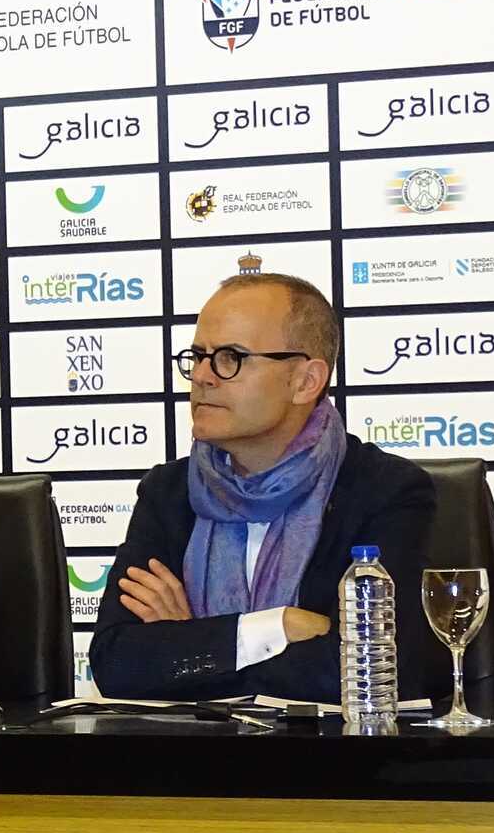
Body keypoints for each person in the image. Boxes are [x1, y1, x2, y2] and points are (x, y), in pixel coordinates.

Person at [90, 273, 436, 701]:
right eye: (198, 356)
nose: (202, 376)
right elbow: (116, 663)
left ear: (305, 382)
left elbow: (372, 670)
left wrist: (194, 641)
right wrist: (276, 627)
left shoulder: (386, 492)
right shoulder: (168, 492)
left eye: (230, 357)